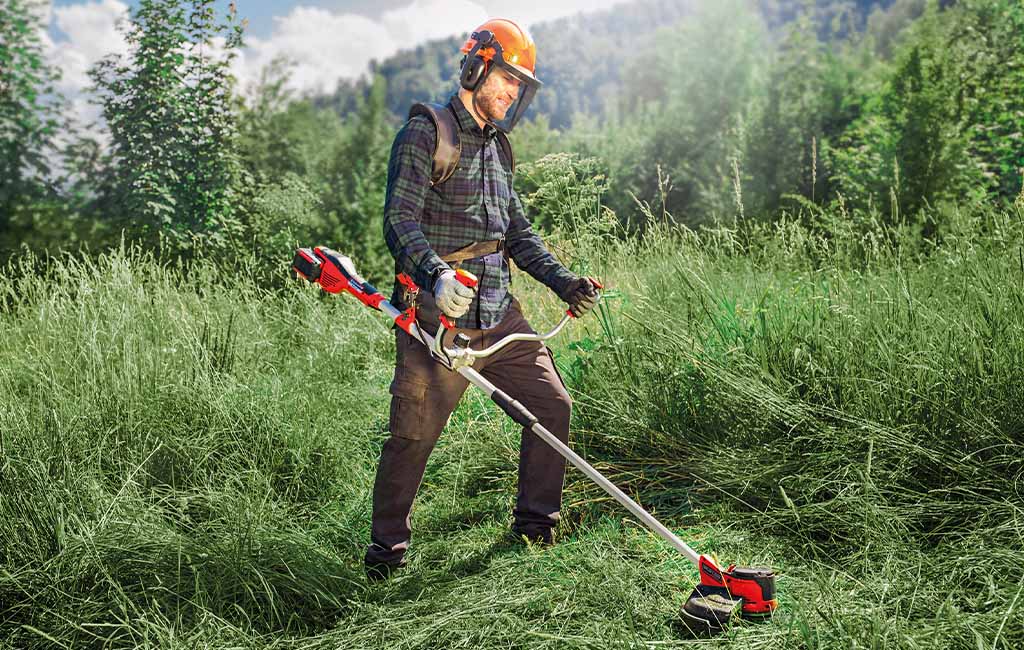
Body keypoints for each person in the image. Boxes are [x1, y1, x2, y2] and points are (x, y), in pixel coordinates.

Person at [365, 17, 600, 581]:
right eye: (507, 80)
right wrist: (435, 275)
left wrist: (563, 280)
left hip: (499, 315)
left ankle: (535, 528)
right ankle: (386, 555)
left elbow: (516, 234)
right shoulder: (427, 132)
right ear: (476, 68)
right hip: (436, 319)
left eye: (519, 86)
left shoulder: (501, 149)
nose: (513, 93)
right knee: (412, 436)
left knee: (551, 407)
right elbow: (397, 220)